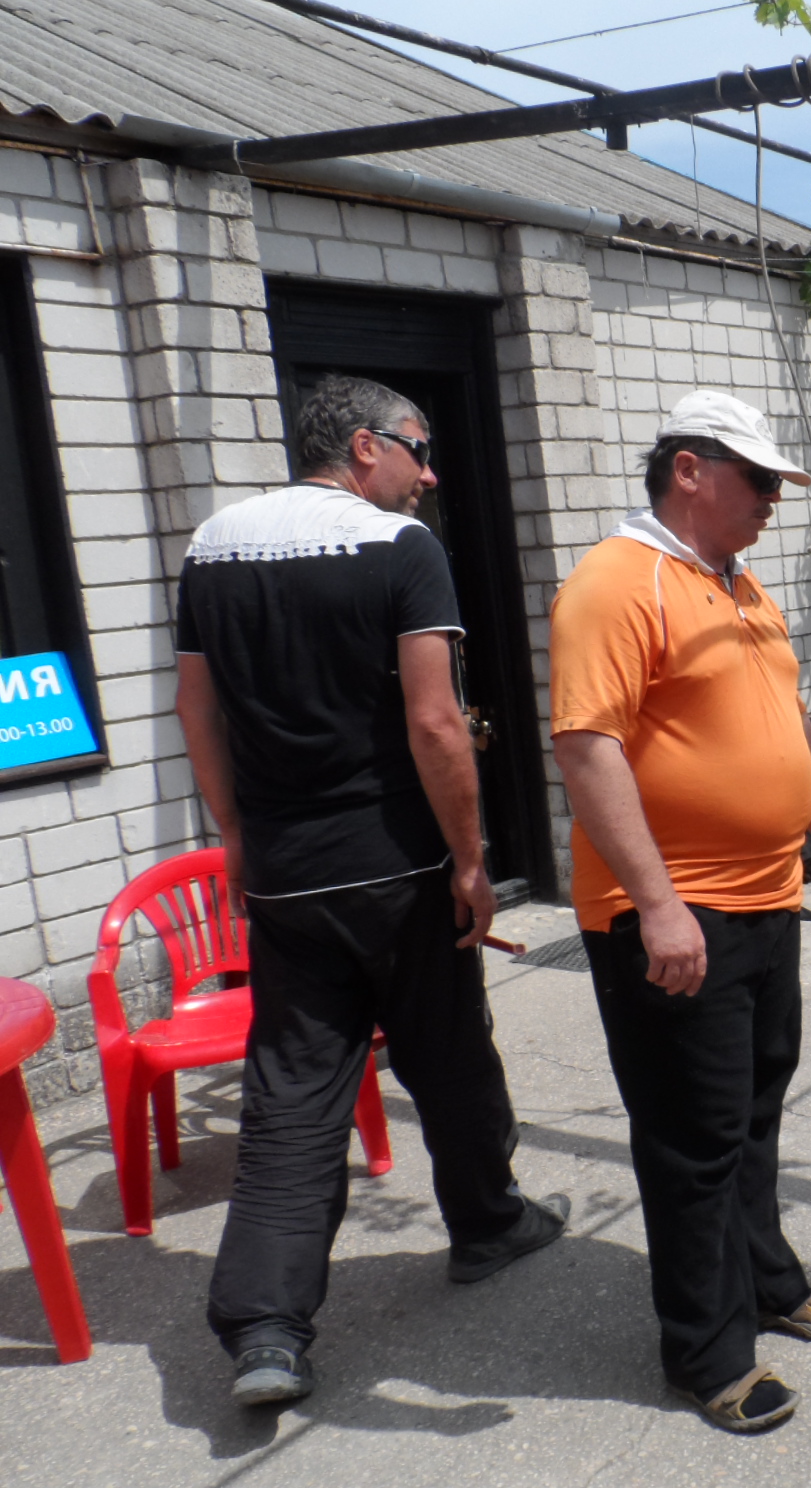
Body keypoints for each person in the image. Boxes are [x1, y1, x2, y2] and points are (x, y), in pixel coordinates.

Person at [176, 375, 568, 1407]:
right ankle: (488, 1224)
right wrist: (472, 860)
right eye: (417, 449)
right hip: (396, 865)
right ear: (362, 447)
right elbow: (435, 722)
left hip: (287, 873)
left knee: (293, 1093)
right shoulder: (401, 549)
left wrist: (234, 834)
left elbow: (196, 707)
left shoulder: (213, 546)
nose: (428, 475)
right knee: (449, 1057)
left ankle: (266, 1330)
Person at [549, 390, 811, 1435]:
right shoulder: (616, 582)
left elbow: (789, 718)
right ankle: (707, 1351)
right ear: (689, 470)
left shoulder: (737, 581)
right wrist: (658, 906)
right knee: (692, 1138)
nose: (773, 498)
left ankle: (765, 1278)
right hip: (677, 914)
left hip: (766, 898)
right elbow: (587, 747)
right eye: (757, 478)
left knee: (752, 1113)